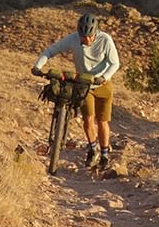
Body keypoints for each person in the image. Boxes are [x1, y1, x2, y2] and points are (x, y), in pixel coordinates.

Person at [34, 11, 122, 168]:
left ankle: (104, 154)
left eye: (90, 36)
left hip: (102, 84)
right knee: (88, 119)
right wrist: (38, 66)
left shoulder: (105, 40)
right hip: (84, 84)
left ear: (96, 32)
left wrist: (105, 77)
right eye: (83, 36)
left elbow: (115, 63)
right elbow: (50, 50)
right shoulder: (73, 39)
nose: (86, 39)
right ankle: (93, 148)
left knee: (102, 121)